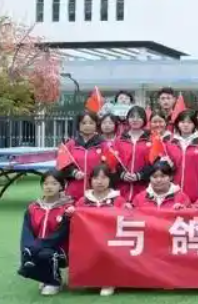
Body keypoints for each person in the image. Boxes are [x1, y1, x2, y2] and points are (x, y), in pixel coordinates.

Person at [18, 170, 73, 296]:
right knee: (28, 254)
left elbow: (60, 235)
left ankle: (54, 282)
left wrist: (38, 246)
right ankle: (45, 276)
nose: (49, 187)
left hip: (61, 250)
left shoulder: (67, 209)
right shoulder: (33, 208)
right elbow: (26, 232)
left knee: (45, 254)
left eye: (54, 183)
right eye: (46, 183)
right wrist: (28, 248)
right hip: (38, 247)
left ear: (61, 186)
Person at [71, 164, 125, 296]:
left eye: (104, 178)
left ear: (110, 179)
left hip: (112, 241)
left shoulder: (119, 200)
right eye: (96, 178)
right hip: (89, 241)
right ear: (90, 180)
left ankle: (108, 281)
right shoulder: (82, 201)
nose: (100, 182)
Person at [63, 112, 105, 200]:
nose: (87, 126)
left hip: (98, 192)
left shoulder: (104, 144)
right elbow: (62, 165)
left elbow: (110, 167)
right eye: (84, 123)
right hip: (74, 191)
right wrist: (74, 173)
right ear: (78, 125)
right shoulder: (70, 144)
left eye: (91, 123)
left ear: (96, 124)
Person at [114, 106, 152, 200]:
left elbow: (154, 163)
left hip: (143, 189)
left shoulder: (151, 139)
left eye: (139, 117)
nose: (135, 120)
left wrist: (140, 175)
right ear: (127, 119)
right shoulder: (119, 140)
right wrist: (122, 174)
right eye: (132, 117)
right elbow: (113, 162)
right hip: (122, 188)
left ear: (144, 119)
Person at [165, 110, 198, 201]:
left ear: (194, 124)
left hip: (195, 192)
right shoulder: (169, 142)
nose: (186, 125)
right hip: (173, 192)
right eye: (182, 122)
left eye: (189, 122)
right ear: (177, 124)